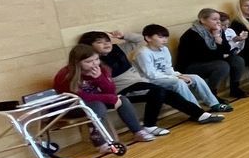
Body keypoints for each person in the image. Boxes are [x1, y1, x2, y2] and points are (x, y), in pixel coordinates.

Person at [82, 31, 220, 131]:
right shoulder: (93, 62)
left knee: (167, 93)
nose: (106, 44)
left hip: (139, 83)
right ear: (89, 47)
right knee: (159, 91)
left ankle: (199, 114)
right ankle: (150, 125)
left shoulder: (118, 49)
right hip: (124, 89)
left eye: (107, 40)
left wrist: (123, 35)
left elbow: (139, 40)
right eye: (100, 42)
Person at [54, 44, 155, 146]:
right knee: (98, 105)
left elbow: (111, 91)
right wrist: (110, 98)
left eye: (96, 59)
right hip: (71, 107)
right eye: (88, 62)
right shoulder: (66, 75)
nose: (94, 64)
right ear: (77, 63)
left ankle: (138, 132)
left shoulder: (102, 69)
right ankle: (102, 144)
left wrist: (100, 78)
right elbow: (80, 98)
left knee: (122, 100)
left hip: (95, 103)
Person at [134, 24, 232, 114]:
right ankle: (197, 111)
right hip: (149, 81)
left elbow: (168, 68)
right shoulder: (143, 53)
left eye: (165, 37)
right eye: (160, 37)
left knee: (196, 78)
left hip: (166, 77)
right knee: (179, 83)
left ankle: (214, 104)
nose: (164, 40)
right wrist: (177, 78)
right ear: (148, 38)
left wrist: (178, 75)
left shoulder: (164, 49)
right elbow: (151, 74)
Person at [176, 9, 249, 100]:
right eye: (214, 19)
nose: (218, 22)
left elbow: (226, 49)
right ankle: (211, 95)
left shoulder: (218, 31)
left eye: (218, 19)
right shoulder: (192, 34)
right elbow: (202, 55)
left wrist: (217, 38)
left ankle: (235, 88)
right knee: (222, 66)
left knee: (237, 60)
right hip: (193, 65)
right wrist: (221, 54)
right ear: (203, 20)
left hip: (212, 59)